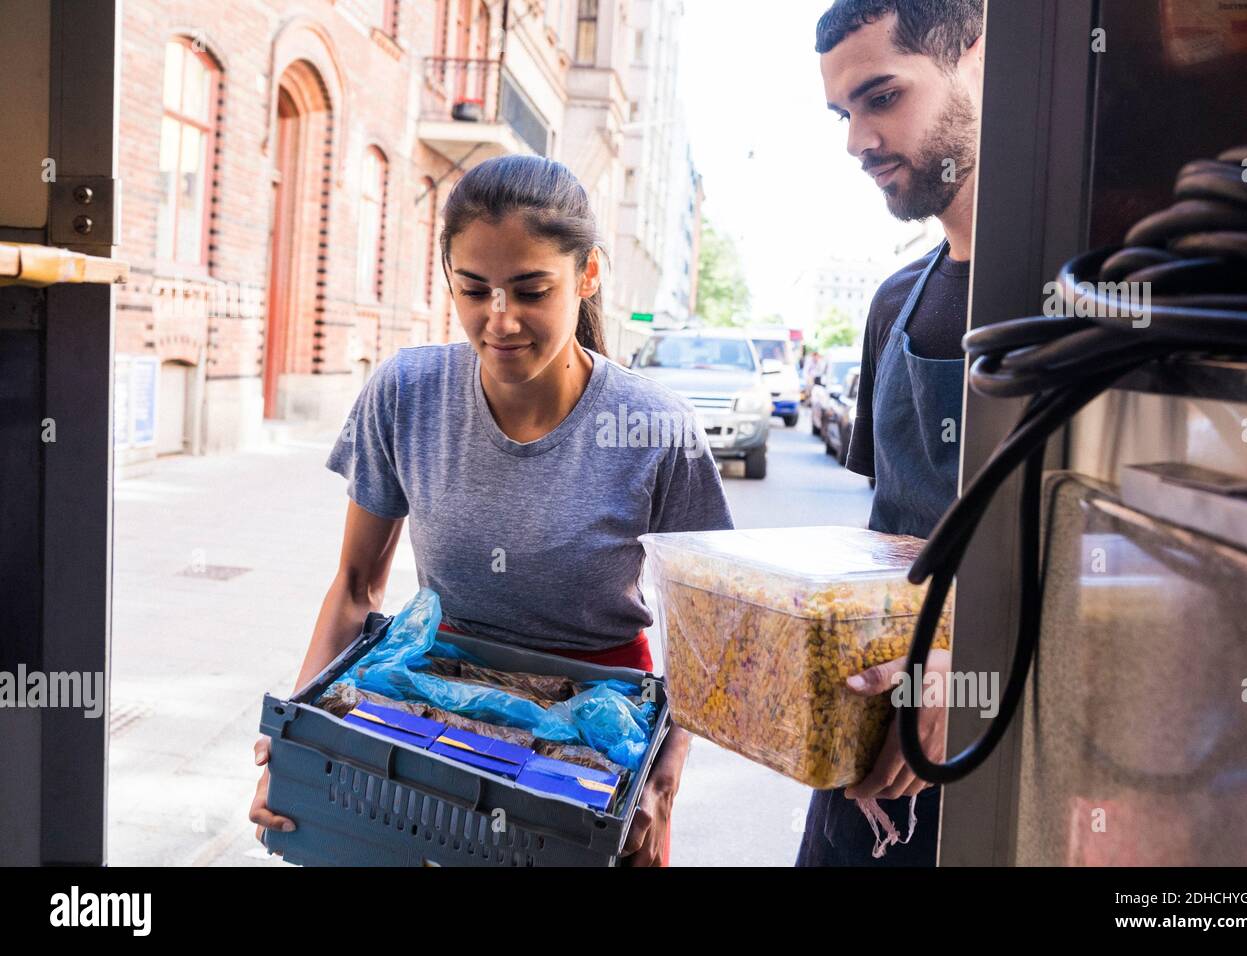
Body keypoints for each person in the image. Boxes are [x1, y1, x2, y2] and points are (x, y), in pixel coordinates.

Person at [248, 155, 734, 867]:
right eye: (474, 290)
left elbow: (708, 635)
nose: (499, 320)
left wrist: (663, 781)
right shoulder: (406, 393)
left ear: (587, 275)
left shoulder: (657, 427)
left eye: (531, 290)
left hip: (598, 746)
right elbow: (356, 589)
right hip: (424, 719)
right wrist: (294, 744)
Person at [797, 0, 985, 867]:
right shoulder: (892, 307)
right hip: (868, 771)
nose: (856, 141)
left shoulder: (1106, 294)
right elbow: (890, 546)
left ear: (978, 60)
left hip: (1009, 776)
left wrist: (970, 661)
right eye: (844, 113)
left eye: (881, 97)